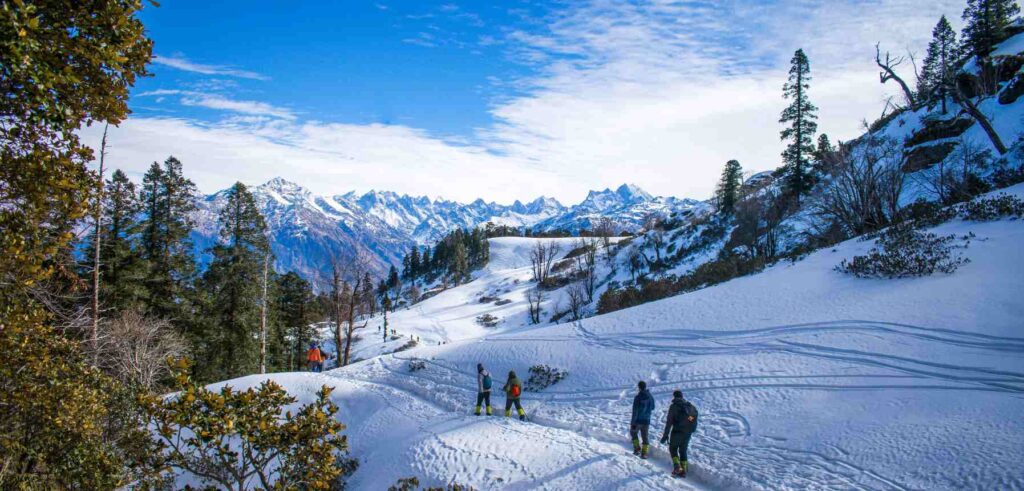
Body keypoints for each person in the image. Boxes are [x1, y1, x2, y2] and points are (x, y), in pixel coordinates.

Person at [660, 390, 698, 478]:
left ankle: (677, 467)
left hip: (677, 432)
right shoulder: (690, 406)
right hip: (687, 433)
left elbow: (669, 423)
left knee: (673, 448)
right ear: (682, 396)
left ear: (674, 397)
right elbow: (694, 417)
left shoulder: (673, 407)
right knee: (683, 450)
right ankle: (683, 470)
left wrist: (665, 436)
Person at [630, 381, 655, 459]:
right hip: (647, 420)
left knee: (633, 432)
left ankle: (637, 449)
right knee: (645, 437)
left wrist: (633, 423)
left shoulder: (638, 397)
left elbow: (635, 411)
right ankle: (644, 453)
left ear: (639, 387)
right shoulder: (650, 396)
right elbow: (653, 407)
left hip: (638, 421)